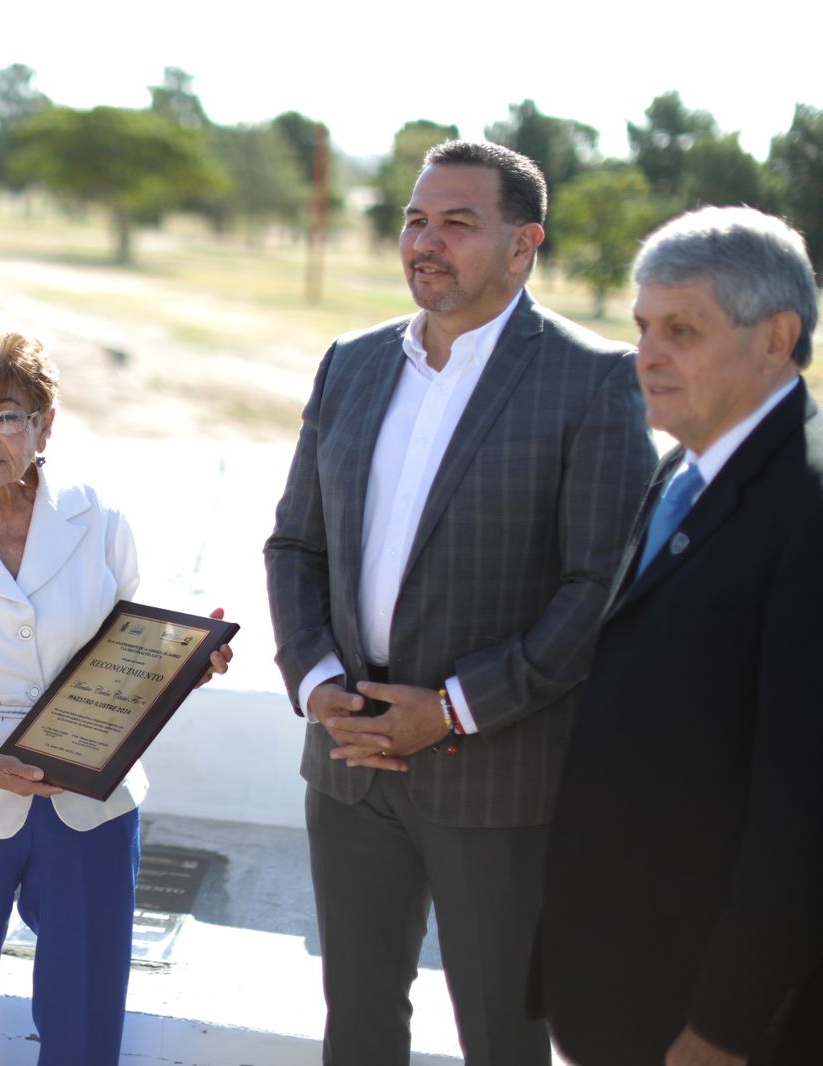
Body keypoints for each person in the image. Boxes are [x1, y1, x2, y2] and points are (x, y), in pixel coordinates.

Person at [262, 140, 656, 1064]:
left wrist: (448, 712)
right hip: (349, 761)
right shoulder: (351, 364)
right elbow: (296, 544)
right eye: (414, 218)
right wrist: (319, 685)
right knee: (357, 1027)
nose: (424, 241)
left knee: (502, 1039)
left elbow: (598, 591)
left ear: (525, 245)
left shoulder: (596, 382)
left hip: (498, 775)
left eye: (457, 222)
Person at [0, 328, 231, 1066]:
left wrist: (192, 659)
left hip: (90, 797)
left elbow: (138, 652)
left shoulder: (101, 519)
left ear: (45, 425)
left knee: (88, 1012)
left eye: (5, 414)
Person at [535, 207, 823, 1066]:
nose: (645, 355)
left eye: (681, 330)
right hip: (622, 977)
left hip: (709, 1012)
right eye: (642, 327)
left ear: (777, 339)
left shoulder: (808, 511)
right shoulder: (680, 465)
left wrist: (730, 1022)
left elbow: (802, 807)